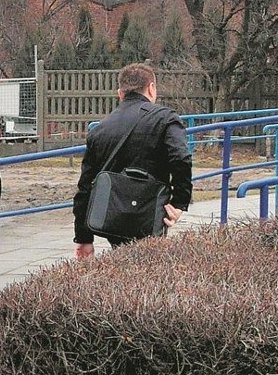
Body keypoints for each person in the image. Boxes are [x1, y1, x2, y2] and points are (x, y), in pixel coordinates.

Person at [73, 63, 192, 259]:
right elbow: (181, 158)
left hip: (112, 218)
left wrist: (83, 238)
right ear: (151, 88)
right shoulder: (166, 119)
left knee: (122, 267)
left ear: (120, 93)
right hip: (150, 213)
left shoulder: (100, 130)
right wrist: (179, 202)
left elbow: (85, 187)